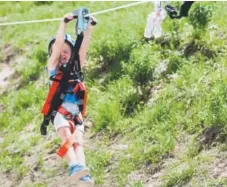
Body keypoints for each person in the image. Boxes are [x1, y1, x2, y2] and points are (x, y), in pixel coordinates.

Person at [47, 12, 94, 186]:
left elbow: (83, 48)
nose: (62, 54)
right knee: (66, 134)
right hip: (60, 111)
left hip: (76, 113)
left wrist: (88, 27)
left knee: (78, 142)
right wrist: (63, 24)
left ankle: (82, 171)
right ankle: (73, 165)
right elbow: (58, 45)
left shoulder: (76, 67)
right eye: (59, 52)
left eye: (66, 51)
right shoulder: (52, 67)